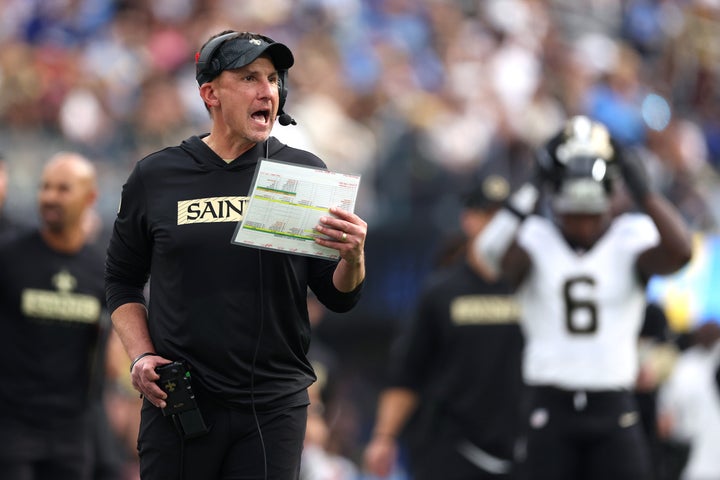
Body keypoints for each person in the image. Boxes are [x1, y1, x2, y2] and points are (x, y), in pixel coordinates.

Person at [104, 30, 367, 480]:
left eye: (272, 78)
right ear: (210, 94)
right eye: (248, 77)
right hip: (179, 404)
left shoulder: (304, 174)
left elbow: (337, 296)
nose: (267, 89)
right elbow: (122, 281)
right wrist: (141, 356)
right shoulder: (157, 175)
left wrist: (354, 257)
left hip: (272, 406)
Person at [474, 115, 693, 480]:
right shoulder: (535, 238)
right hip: (550, 403)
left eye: (590, 213)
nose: (583, 223)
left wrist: (646, 192)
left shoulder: (630, 236)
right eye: (574, 213)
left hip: (613, 404)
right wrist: (530, 187)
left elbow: (681, 252)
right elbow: (487, 254)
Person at [363, 173, 525, 479]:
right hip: (451, 448)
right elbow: (408, 371)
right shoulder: (441, 292)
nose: (496, 226)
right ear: (468, 219)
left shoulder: (530, 289)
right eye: (486, 215)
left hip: (522, 447)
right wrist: (383, 438)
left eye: (502, 217)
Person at [0, 152, 108, 480]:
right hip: (11, 425)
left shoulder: (101, 269)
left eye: (63, 189)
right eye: (44, 187)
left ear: (90, 197)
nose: (49, 196)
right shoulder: (8, 257)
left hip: (73, 430)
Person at [657, 322, 720, 480]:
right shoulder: (686, 367)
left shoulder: (684, 367)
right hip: (698, 462)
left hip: (693, 463)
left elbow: (665, 425)